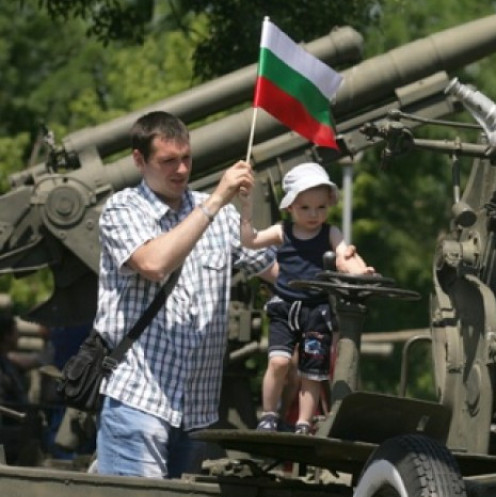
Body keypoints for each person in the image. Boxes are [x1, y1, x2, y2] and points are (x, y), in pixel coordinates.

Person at [94, 111, 278, 478]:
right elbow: (154, 263)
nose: (180, 170)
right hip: (137, 403)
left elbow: (279, 273)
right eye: (168, 161)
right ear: (139, 160)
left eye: (186, 159)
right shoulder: (122, 209)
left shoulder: (222, 219)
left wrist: (334, 252)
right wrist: (214, 203)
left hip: (198, 415)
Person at [240, 162, 373, 435]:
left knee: (312, 373)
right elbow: (250, 241)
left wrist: (361, 271)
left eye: (321, 207)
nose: (314, 214)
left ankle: (303, 423)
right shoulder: (282, 231)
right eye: (305, 208)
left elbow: (344, 256)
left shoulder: (330, 233)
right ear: (290, 207)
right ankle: (268, 415)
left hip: (317, 311)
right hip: (285, 308)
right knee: (278, 362)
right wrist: (246, 208)